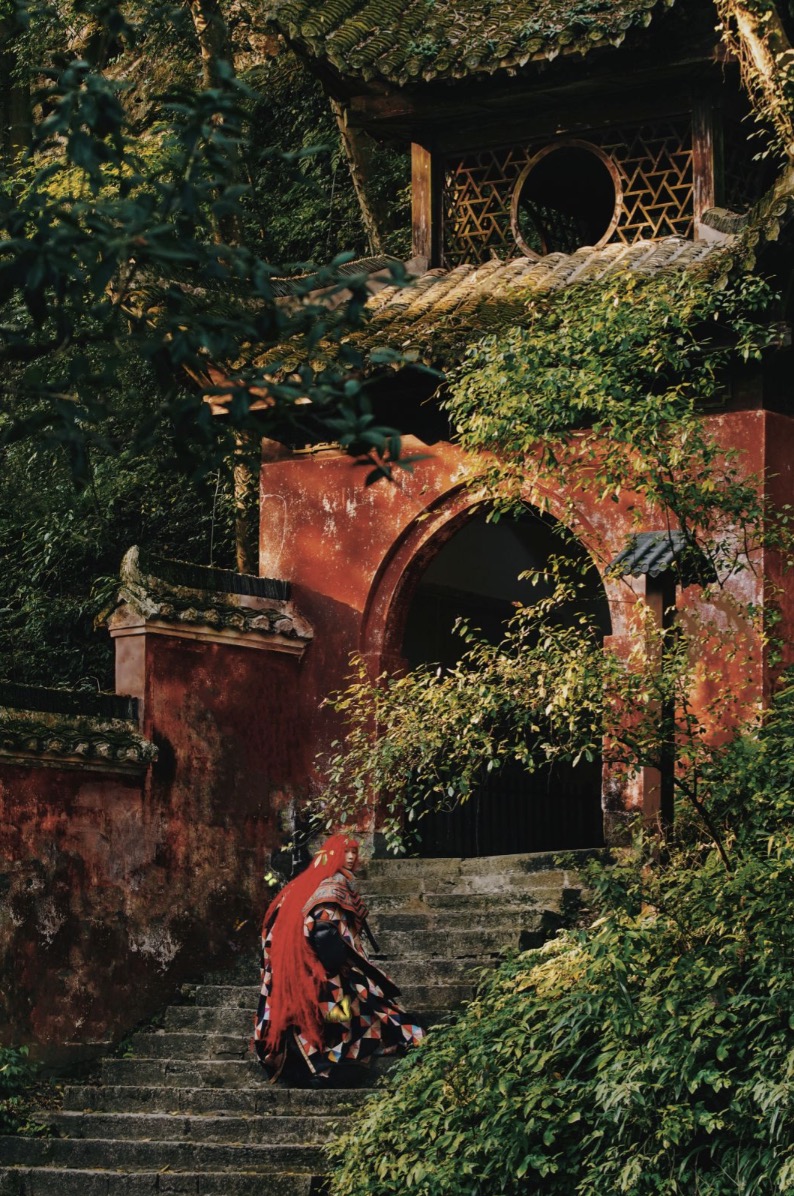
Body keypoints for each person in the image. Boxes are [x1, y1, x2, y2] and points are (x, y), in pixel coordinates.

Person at [254, 832, 425, 1085]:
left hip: (310, 966)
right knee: (352, 1006)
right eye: (345, 852)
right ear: (331, 855)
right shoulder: (331, 887)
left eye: (354, 852)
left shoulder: (310, 884)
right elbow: (324, 929)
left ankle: (327, 1064)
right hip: (320, 966)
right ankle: (328, 1064)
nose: (351, 857)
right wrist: (340, 962)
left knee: (343, 1010)